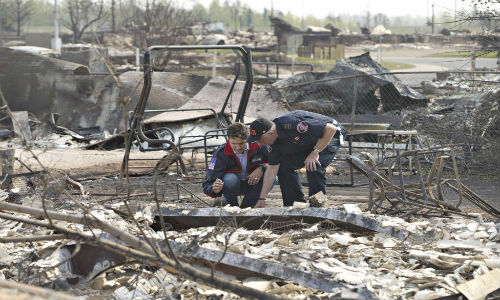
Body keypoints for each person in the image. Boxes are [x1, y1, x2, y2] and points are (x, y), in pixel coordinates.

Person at [247, 110, 346, 208]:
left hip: (329, 135)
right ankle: (295, 204)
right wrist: (262, 199)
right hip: (308, 142)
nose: (259, 144)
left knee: (313, 164)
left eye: (260, 140)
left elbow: (330, 129)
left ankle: (318, 204)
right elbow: (272, 169)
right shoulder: (273, 145)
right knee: (283, 166)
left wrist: (315, 152)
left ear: (271, 133)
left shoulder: (291, 123)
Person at [202, 122, 268, 208]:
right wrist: (214, 189)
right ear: (228, 139)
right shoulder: (219, 154)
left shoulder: (259, 146)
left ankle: (248, 205)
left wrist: (262, 167)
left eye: (241, 143)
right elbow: (208, 182)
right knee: (230, 179)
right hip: (230, 187)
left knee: (271, 176)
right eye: (233, 143)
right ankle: (232, 206)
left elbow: (276, 162)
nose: (238, 147)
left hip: (253, 185)